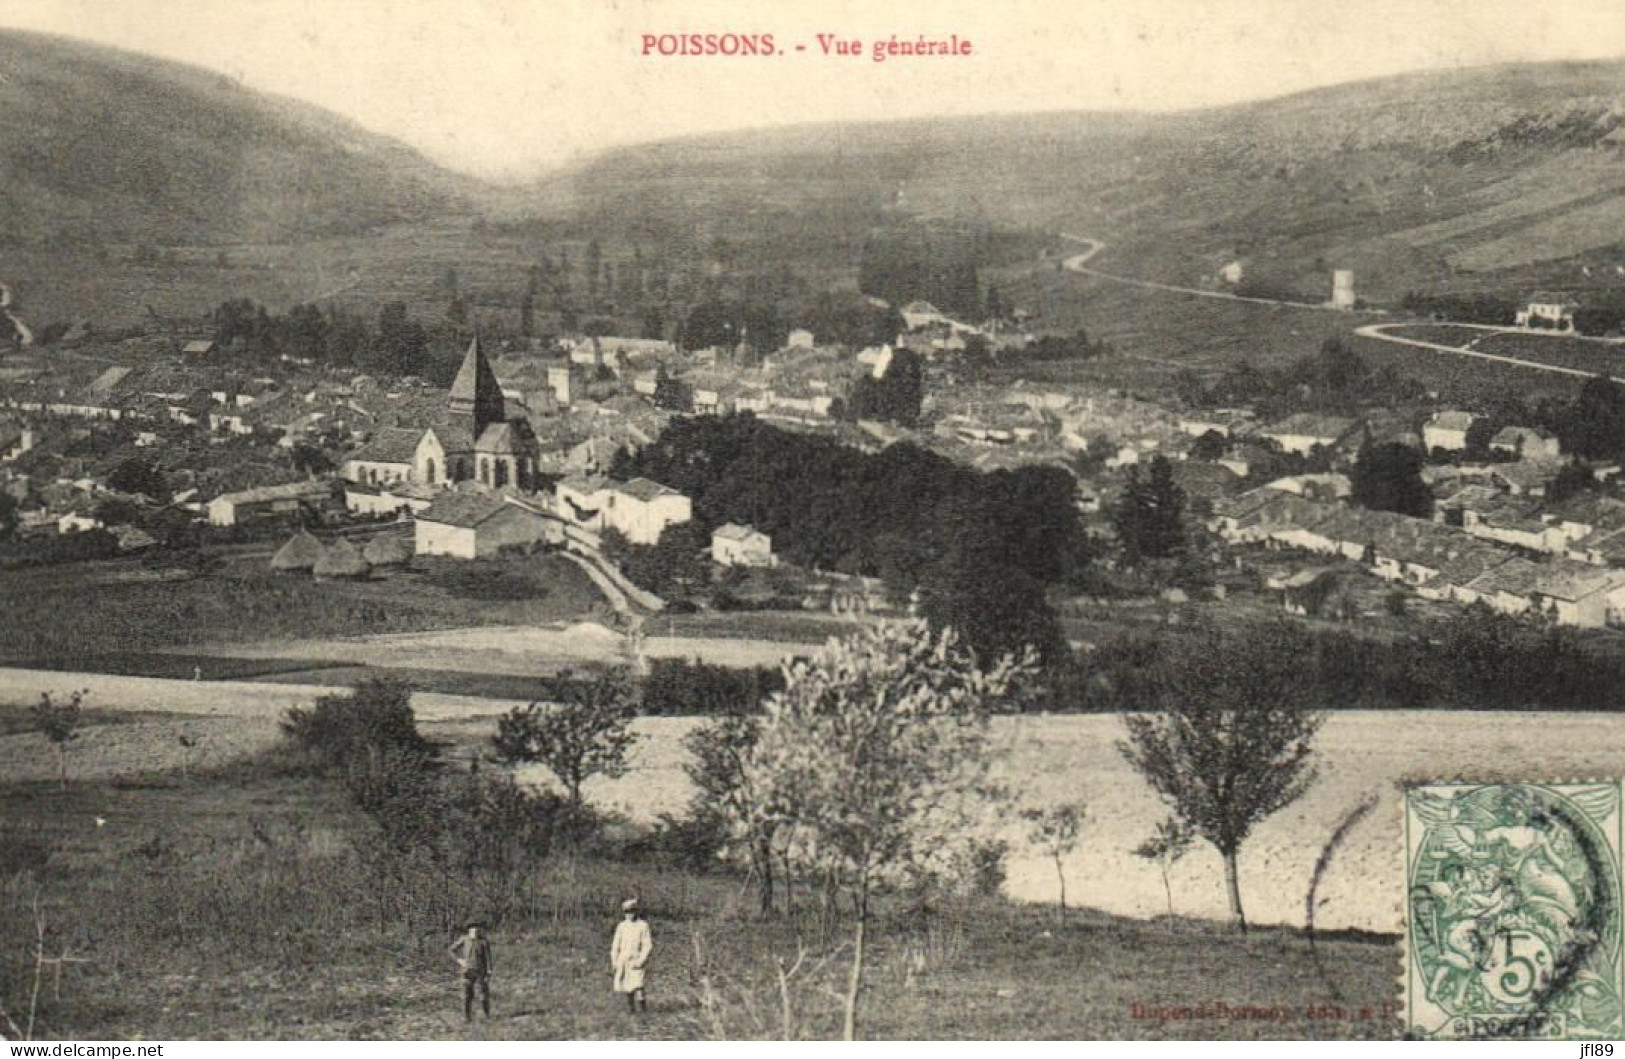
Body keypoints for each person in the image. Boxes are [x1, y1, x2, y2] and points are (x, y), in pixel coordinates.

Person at [610, 898, 652, 1013]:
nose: (630, 915)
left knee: (638, 985)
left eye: (632, 911)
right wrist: (615, 961)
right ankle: (631, 1010)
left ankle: (643, 1011)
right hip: (623, 960)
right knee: (627, 986)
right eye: (627, 912)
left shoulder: (643, 926)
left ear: (636, 912)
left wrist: (641, 960)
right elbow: (615, 945)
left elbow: (647, 945)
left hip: (636, 959)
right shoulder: (622, 926)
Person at [449, 922, 494, 1021]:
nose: (475, 932)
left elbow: (488, 957)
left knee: (483, 995)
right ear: (469, 931)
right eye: (473, 930)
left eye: (477, 930)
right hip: (466, 972)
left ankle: (487, 1016)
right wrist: (459, 960)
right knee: (466, 995)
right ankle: (467, 1017)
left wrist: (489, 971)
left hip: (480, 972)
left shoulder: (483, 942)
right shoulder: (464, 939)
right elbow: (451, 950)